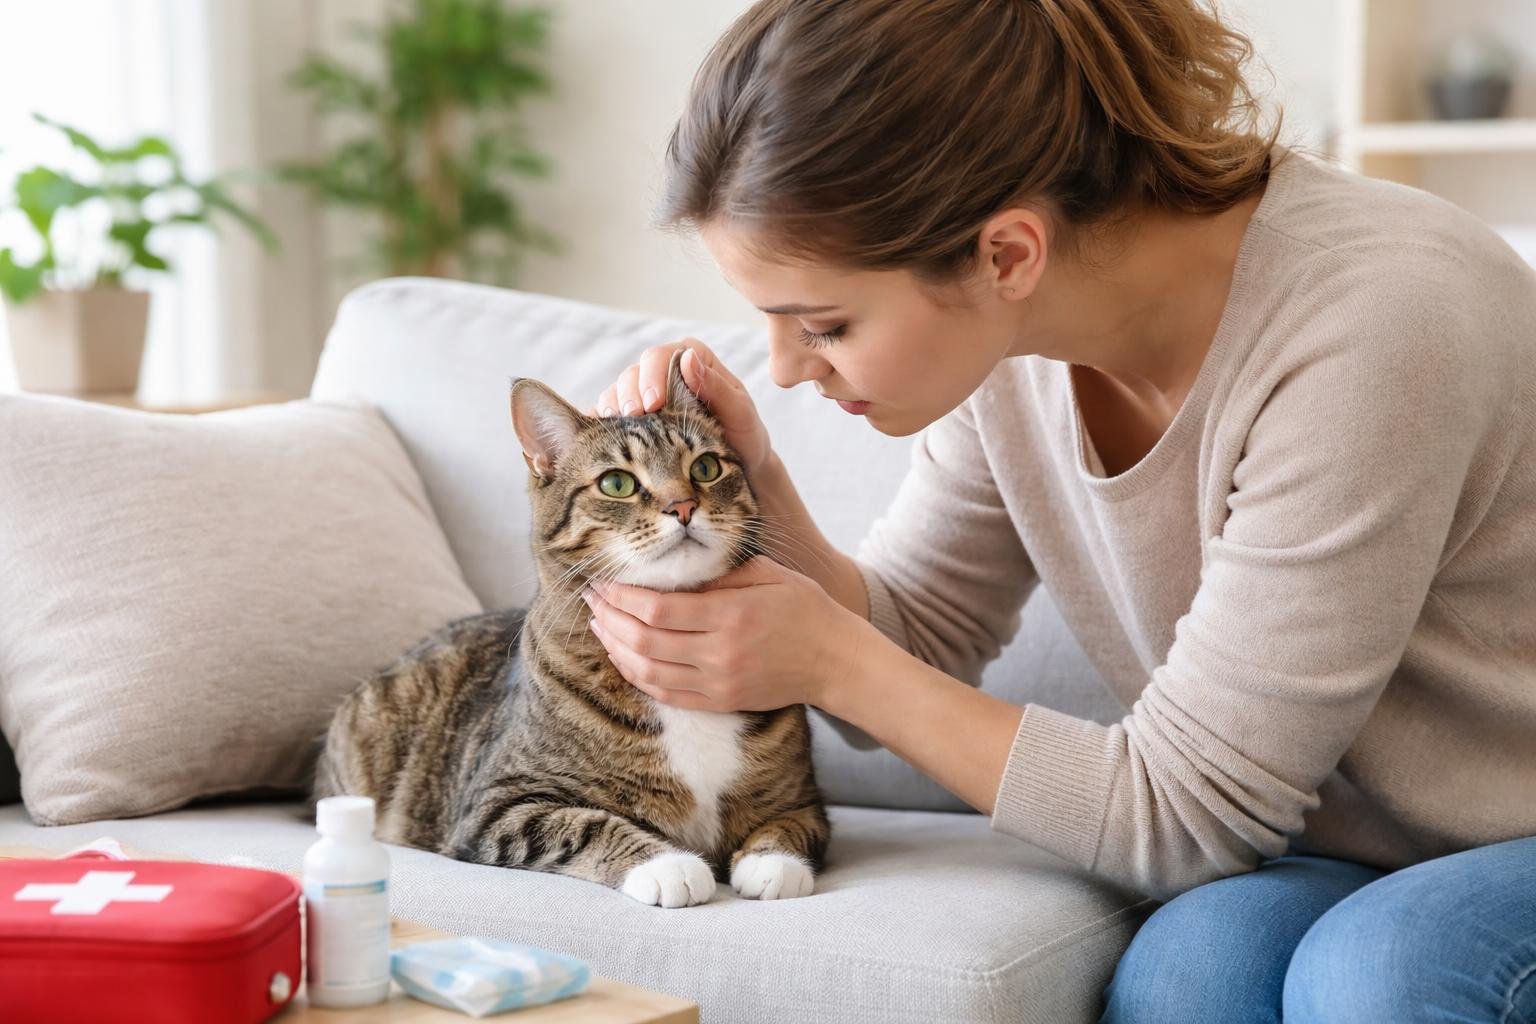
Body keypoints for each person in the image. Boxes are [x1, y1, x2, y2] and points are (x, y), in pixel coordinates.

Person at [578, 1, 1536, 1020]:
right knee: (1189, 972)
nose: (785, 368)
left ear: (1005, 255)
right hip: (1352, 845)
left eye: (825, 323)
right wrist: (759, 500)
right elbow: (922, 642)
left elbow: (1182, 815)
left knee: (1381, 973)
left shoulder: (1376, 323)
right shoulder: (1011, 351)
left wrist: (826, 656)